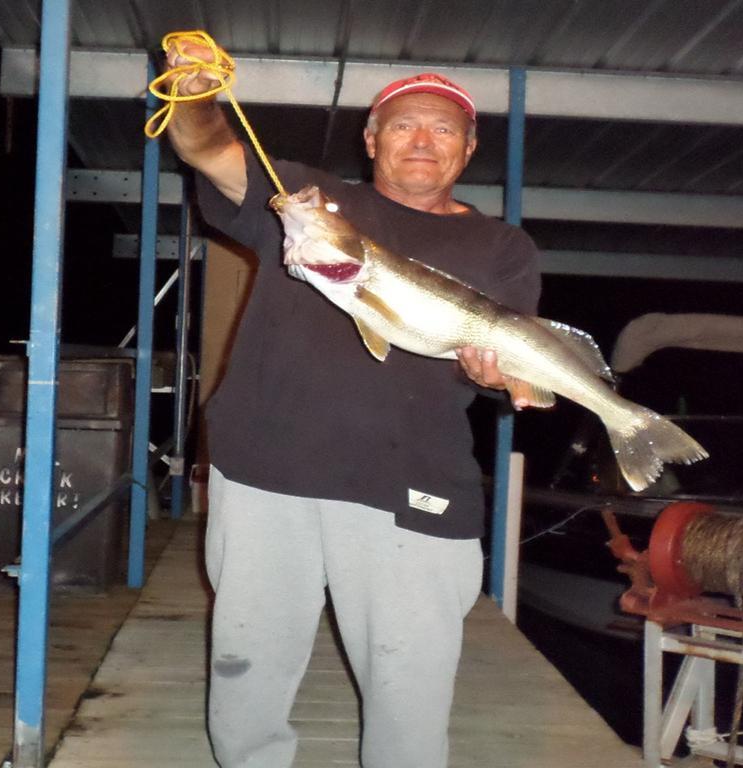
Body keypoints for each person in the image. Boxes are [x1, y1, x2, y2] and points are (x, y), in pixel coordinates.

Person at [163, 40, 541, 768]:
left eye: (441, 128)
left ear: (467, 147)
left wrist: (498, 373)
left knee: (413, 683)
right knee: (249, 667)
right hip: (266, 473)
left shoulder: (503, 247)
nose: (422, 141)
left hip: (414, 485)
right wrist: (193, 94)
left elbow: (505, 366)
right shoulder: (308, 200)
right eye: (403, 125)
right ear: (372, 141)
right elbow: (205, 147)